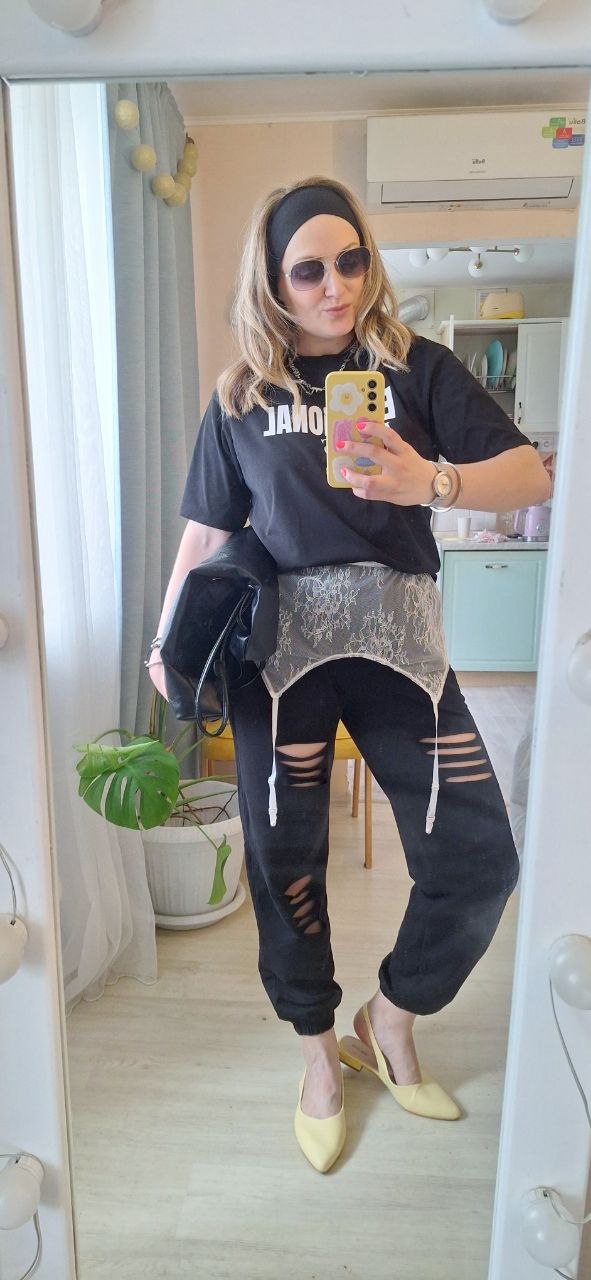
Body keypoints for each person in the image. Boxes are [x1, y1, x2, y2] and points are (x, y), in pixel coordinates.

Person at [148, 175, 551, 1174]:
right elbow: (204, 529)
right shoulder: (242, 395)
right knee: (286, 866)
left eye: (351, 259)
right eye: (309, 270)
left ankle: (389, 1020)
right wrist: (165, 641)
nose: (335, 285)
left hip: (400, 647)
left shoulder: (414, 368)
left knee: (479, 857)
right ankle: (319, 1059)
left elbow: (528, 474)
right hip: (278, 654)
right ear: (272, 281)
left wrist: (429, 479)